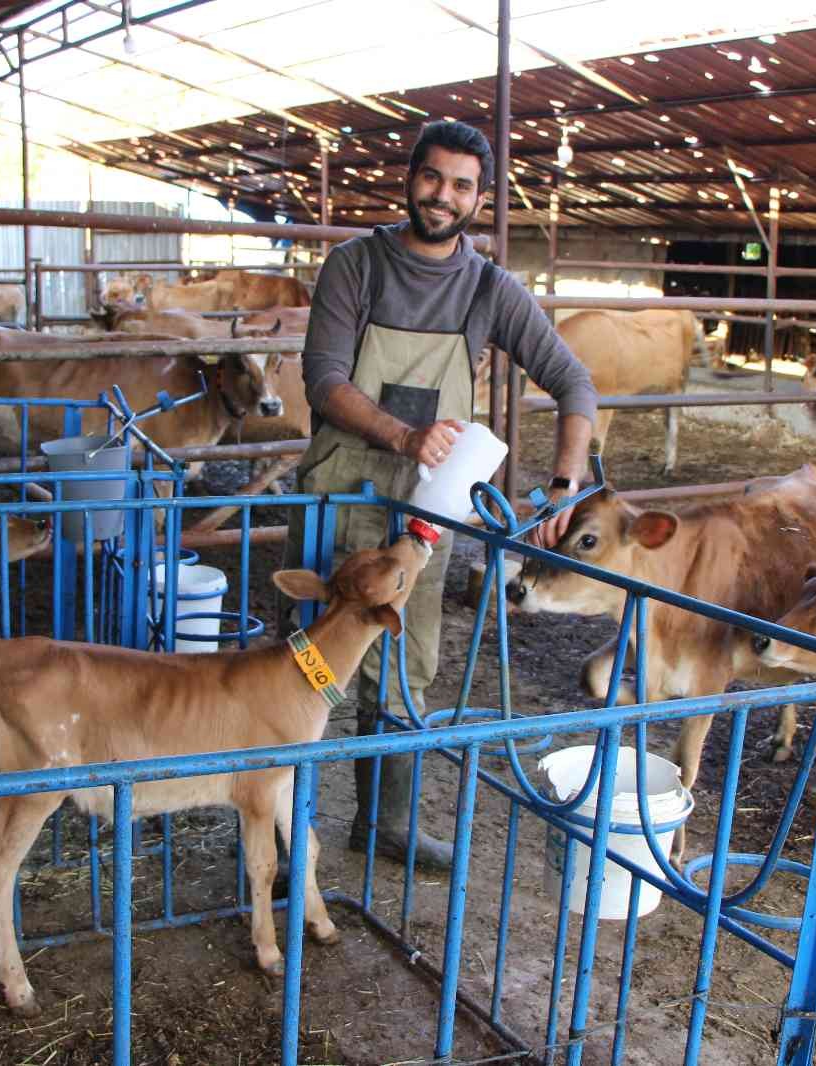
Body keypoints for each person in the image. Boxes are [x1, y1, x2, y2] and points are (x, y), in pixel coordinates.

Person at [290, 120, 596, 868]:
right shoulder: (356, 266)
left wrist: (562, 486)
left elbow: (573, 381)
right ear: (411, 177)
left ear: (480, 199)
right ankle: (285, 831)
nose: (443, 195)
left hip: (428, 510)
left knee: (407, 661)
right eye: (432, 177)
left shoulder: (490, 288)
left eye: (461, 185)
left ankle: (383, 824)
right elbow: (325, 380)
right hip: (341, 492)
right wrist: (403, 436)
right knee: (311, 660)